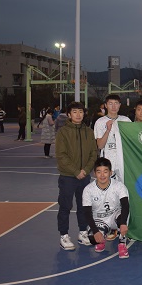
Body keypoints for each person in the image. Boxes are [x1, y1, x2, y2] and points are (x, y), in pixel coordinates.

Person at [56, 102, 98, 251]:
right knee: (65, 206)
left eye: (80, 112)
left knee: (84, 206)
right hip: (68, 176)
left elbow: (94, 153)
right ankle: (64, 235)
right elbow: (61, 155)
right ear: (69, 114)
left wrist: (85, 170)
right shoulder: (63, 132)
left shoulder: (89, 131)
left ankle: (83, 232)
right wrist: (75, 171)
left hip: (84, 176)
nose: (78, 115)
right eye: (74, 112)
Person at [82, 157, 130, 258]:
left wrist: (123, 223)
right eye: (99, 172)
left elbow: (125, 205)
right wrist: (96, 231)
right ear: (94, 173)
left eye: (105, 171)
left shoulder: (119, 186)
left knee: (123, 218)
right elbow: (87, 212)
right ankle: (102, 237)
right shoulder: (88, 190)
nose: (102, 175)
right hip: (99, 219)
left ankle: (122, 242)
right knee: (92, 238)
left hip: (115, 215)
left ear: (110, 173)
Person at [94, 94, 132, 182]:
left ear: (120, 105)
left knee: (124, 187)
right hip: (108, 162)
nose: (114, 106)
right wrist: (107, 130)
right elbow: (100, 146)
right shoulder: (100, 122)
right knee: (109, 188)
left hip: (123, 162)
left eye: (116, 103)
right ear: (106, 105)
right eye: (110, 103)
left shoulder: (126, 120)